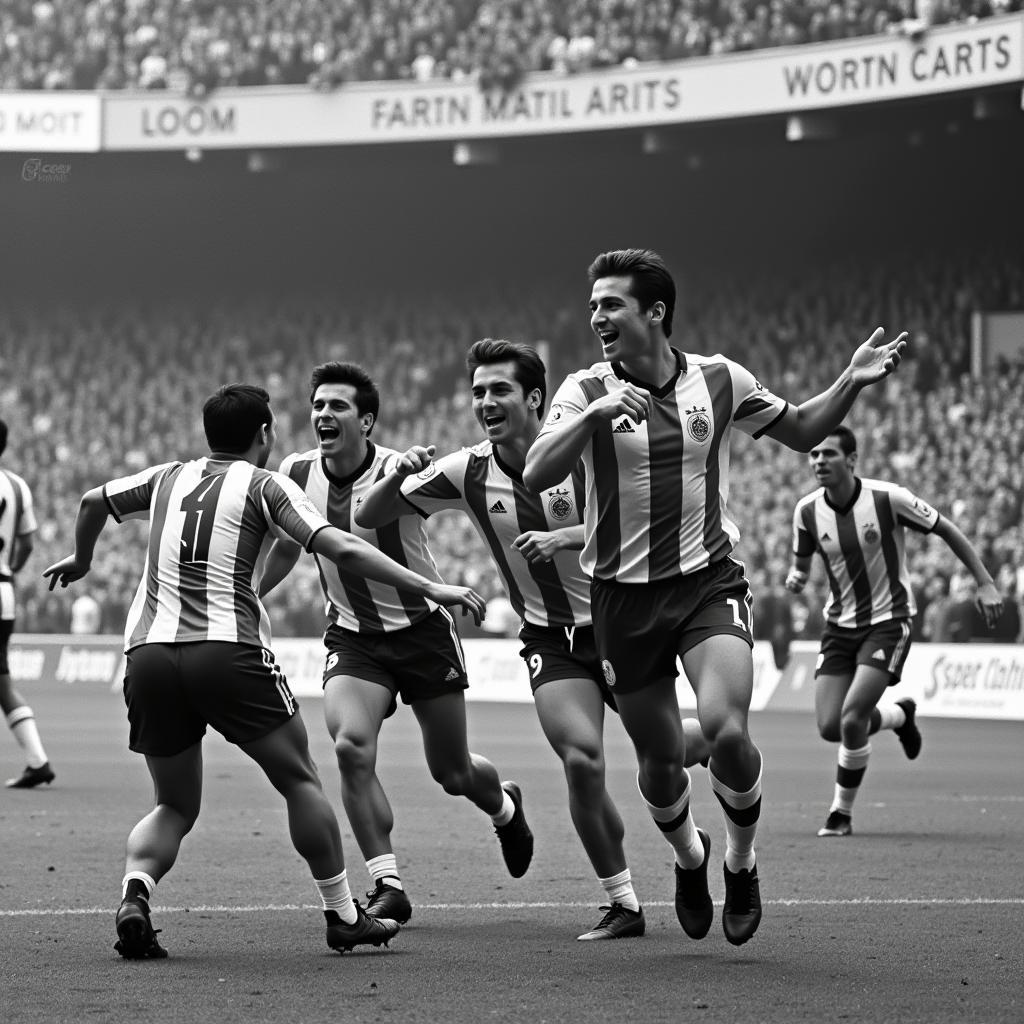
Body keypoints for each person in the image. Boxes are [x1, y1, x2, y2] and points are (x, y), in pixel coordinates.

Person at [523, 247, 908, 947]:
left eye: (611, 304)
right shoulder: (582, 390)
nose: (596, 317)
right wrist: (597, 414)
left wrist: (849, 382)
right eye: (593, 306)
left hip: (707, 583)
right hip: (621, 600)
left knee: (729, 731)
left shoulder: (720, 379)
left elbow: (799, 429)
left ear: (655, 312)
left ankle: (741, 861)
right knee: (661, 761)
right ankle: (690, 858)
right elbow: (536, 469)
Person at [43, 383, 487, 959]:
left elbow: (92, 501)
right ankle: (344, 914)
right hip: (229, 652)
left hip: (148, 655)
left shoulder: (165, 477)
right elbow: (344, 548)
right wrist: (431, 585)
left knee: (173, 804)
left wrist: (82, 558)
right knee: (299, 779)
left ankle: (135, 894)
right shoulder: (266, 484)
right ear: (264, 435)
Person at [357, 339, 710, 941]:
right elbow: (370, 515)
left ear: (536, 399)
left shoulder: (585, 448)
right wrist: (398, 476)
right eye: (478, 392)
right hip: (551, 639)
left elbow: (640, 516)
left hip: (620, 625)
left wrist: (563, 538)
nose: (485, 402)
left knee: (667, 756)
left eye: (499, 390)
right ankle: (623, 902)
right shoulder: (468, 471)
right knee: (582, 760)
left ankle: (694, 839)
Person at [258, 362, 534, 927]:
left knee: (453, 772)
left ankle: (505, 807)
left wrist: (408, 470)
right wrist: (251, 593)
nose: (322, 415)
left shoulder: (399, 470)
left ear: (367, 420)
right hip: (354, 639)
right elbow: (290, 544)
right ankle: (386, 882)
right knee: (349, 748)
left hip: (423, 633)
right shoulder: (295, 471)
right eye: (317, 406)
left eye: (337, 406)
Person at [785, 425, 1003, 837]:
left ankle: (840, 813)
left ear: (851, 460)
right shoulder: (807, 511)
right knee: (830, 727)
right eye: (813, 455)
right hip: (839, 626)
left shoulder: (889, 498)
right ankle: (899, 716)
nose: (818, 461)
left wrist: (985, 582)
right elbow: (801, 559)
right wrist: (796, 577)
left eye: (828, 454)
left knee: (851, 718)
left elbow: (945, 529)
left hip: (889, 621)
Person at [0, 418, 55, 789]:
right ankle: (38, 761)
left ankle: (39, 761)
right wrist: (10, 570)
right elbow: (29, 541)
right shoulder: (16, 485)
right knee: (2, 680)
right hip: (3, 590)